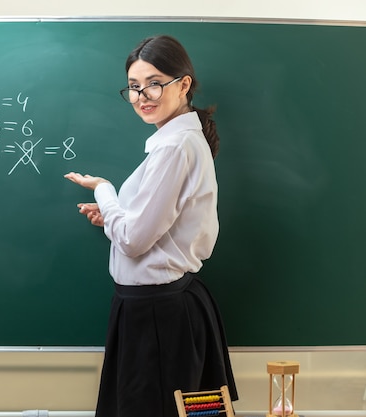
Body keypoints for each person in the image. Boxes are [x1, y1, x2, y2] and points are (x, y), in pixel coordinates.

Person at [64, 35, 238, 417]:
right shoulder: (176, 143)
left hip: (160, 317)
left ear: (184, 84)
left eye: (155, 83)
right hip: (159, 312)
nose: (143, 95)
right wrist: (110, 217)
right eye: (134, 87)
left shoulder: (175, 148)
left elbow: (133, 239)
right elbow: (144, 232)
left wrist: (106, 191)